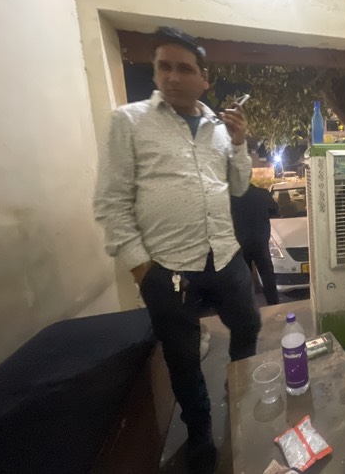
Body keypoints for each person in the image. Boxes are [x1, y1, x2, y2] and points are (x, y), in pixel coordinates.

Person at [94, 26, 261, 474]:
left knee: (249, 324)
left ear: (204, 78)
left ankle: (239, 395)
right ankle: (200, 431)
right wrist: (141, 269)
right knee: (183, 358)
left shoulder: (219, 129)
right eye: (163, 66)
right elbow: (111, 202)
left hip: (224, 255)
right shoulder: (128, 122)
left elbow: (239, 186)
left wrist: (240, 143)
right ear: (154, 71)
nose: (172, 76)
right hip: (167, 267)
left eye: (184, 68)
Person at [231, 183, 280, 305]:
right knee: (267, 275)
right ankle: (273, 305)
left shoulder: (231, 196)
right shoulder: (262, 194)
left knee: (243, 279)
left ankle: (247, 307)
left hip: (240, 243)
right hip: (260, 241)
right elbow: (275, 210)